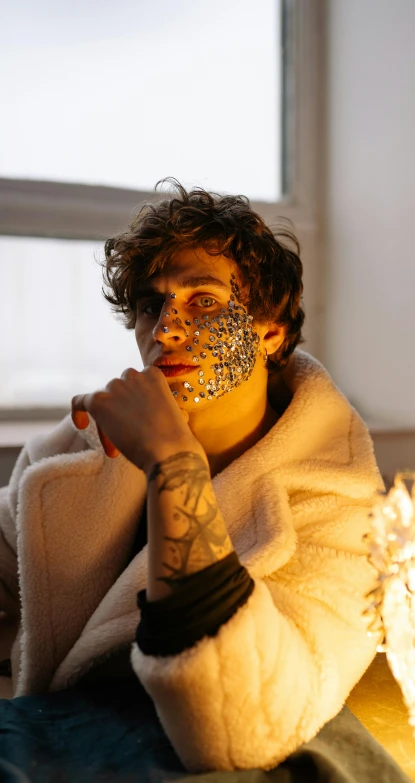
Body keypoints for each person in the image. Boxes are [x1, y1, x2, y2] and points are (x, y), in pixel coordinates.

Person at [0, 183, 384, 773]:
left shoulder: (342, 503)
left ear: (270, 333)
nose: (166, 330)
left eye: (203, 301)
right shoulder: (77, 445)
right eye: (152, 306)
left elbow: (246, 728)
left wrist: (173, 464)